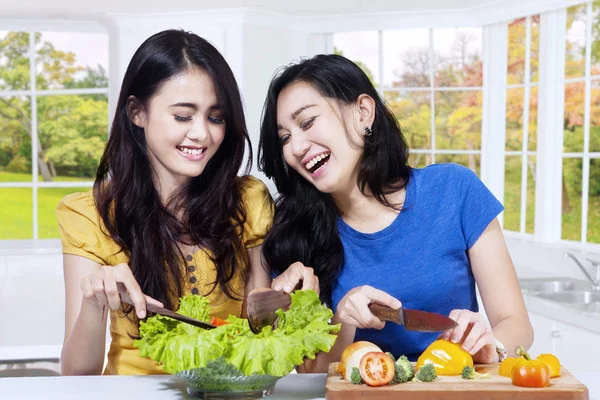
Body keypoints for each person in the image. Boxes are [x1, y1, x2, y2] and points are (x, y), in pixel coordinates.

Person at [56, 29, 317, 376]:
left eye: (215, 117)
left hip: (226, 394)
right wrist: (93, 302)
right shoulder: (89, 214)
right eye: (183, 116)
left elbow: (263, 339)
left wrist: (289, 298)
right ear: (137, 112)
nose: (202, 134)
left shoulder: (248, 200)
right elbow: (77, 375)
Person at [258, 54, 533, 373]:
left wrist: (489, 347)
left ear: (363, 112)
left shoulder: (454, 190)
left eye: (307, 122)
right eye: (285, 138)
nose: (297, 148)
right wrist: (342, 320)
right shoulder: (296, 234)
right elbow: (313, 374)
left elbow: (516, 324)